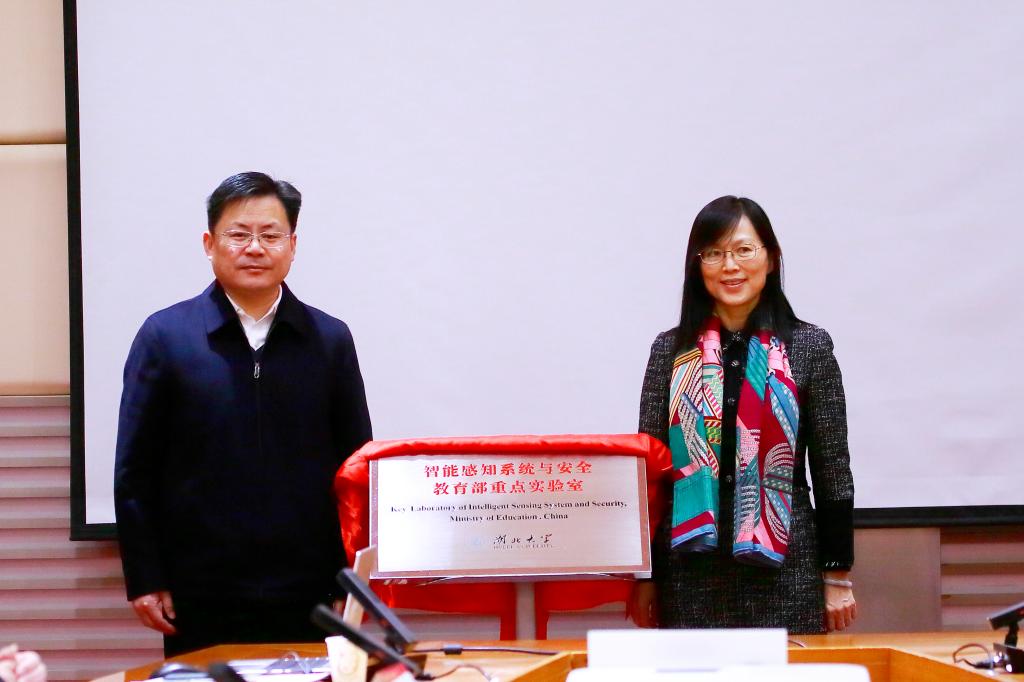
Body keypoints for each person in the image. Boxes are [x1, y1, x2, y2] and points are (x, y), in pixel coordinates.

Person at [114, 171, 373, 655]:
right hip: (198, 590)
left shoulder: (329, 339)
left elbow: (355, 469)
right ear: (209, 244)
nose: (255, 248)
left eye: (270, 235)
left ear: (292, 246)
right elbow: (135, 471)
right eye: (238, 234)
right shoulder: (164, 337)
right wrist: (145, 576)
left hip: (310, 590)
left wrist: (351, 579)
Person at [628, 195, 856, 633]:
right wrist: (646, 578)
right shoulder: (670, 350)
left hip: (784, 566)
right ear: (698, 266)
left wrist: (837, 573)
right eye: (714, 253)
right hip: (690, 567)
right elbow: (649, 475)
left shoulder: (809, 347)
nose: (730, 266)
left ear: (771, 259)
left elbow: (833, 469)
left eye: (744, 250)